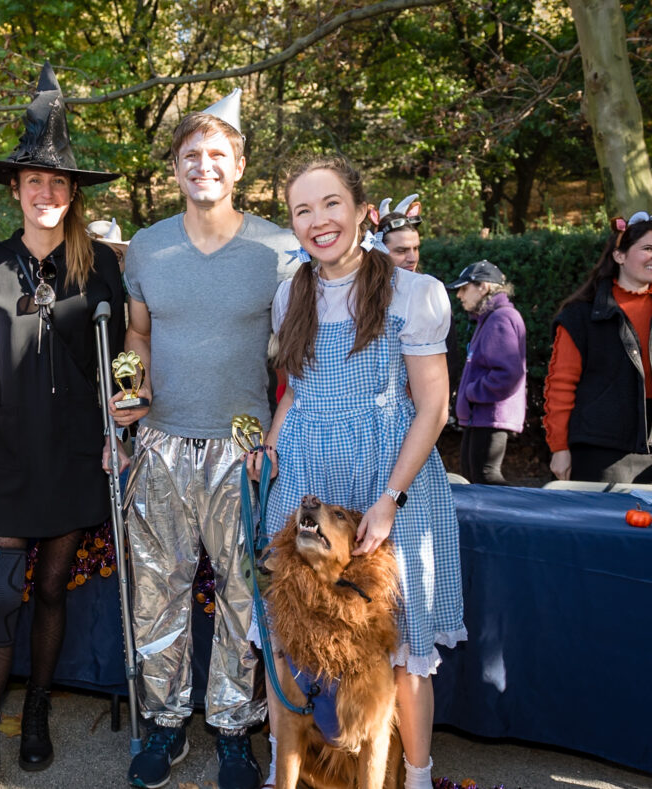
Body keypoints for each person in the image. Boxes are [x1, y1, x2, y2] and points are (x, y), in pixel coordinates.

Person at [254, 154, 466, 789]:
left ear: (362, 211)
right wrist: (269, 449)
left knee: (402, 646)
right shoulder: (291, 291)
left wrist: (390, 499)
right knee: (291, 630)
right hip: (307, 473)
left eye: (331, 204)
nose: (319, 221)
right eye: (302, 210)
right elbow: (296, 391)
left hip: (388, 473)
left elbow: (433, 405)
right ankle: (283, 770)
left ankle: (418, 777)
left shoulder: (413, 292)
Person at [109, 89, 298, 789]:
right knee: (158, 589)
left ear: (239, 165)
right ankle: (165, 722)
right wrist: (130, 393)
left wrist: (278, 438)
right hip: (159, 442)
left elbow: (294, 355)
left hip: (243, 447)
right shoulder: (149, 247)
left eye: (217, 154)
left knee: (245, 591)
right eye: (191, 155)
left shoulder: (278, 248)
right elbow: (137, 333)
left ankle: (229, 726)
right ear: (176, 168)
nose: (204, 165)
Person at [0, 63, 125, 789]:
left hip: (73, 448)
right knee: (1, 592)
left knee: (53, 587)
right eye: (35, 180)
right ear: (15, 188)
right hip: (9, 450)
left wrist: (123, 427)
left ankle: (36, 711)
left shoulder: (100, 266)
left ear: (72, 193)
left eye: (59, 183)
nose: (46, 192)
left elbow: (121, 357)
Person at [544, 211, 652, 483]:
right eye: (648, 248)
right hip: (599, 451)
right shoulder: (580, 316)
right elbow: (560, 386)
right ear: (620, 256)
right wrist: (559, 448)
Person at [445, 260, 526, 484]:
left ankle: (509, 520)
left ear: (484, 287)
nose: (459, 295)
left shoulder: (501, 318)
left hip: (490, 417)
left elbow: (508, 373)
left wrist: (472, 392)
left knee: (485, 477)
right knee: (475, 476)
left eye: (464, 288)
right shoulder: (489, 318)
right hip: (482, 416)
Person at [377, 194, 461, 392]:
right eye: (401, 250)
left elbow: (450, 362)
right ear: (379, 251)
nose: (412, 257)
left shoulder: (429, 294)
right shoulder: (359, 293)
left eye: (416, 248)